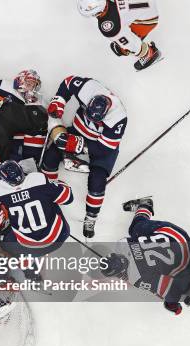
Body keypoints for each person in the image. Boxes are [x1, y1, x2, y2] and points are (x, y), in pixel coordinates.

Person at [43, 75, 127, 238]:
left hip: (100, 144)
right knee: (50, 157)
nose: (89, 117)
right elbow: (68, 83)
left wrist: (79, 145)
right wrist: (59, 101)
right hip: (78, 130)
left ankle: (91, 217)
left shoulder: (118, 119)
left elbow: (103, 149)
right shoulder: (90, 88)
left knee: (98, 181)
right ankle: (50, 192)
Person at [101, 197, 190, 315]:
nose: (120, 277)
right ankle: (144, 206)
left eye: (119, 275)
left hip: (186, 260)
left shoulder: (137, 278)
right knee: (136, 228)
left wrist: (173, 306)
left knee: (177, 281)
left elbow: (171, 290)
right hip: (176, 234)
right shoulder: (122, 244)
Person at [77, 0, 161, 71]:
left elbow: (132, 44)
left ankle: (149, 53)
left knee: (121, 47)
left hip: (148, 18)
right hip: (147, 4)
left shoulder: (109, 26)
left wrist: (139, 51)